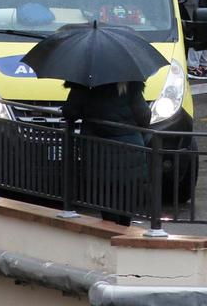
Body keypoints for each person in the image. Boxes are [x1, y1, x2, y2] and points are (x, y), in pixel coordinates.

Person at [61, 79, 151, 227]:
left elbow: (70, 111)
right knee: (126, 197)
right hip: (129, 151)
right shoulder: (130, 83)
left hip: (97, 152)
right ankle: (124, 232)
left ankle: (111, 234)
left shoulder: (84, 83)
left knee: (105, 198)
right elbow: (144, 116)